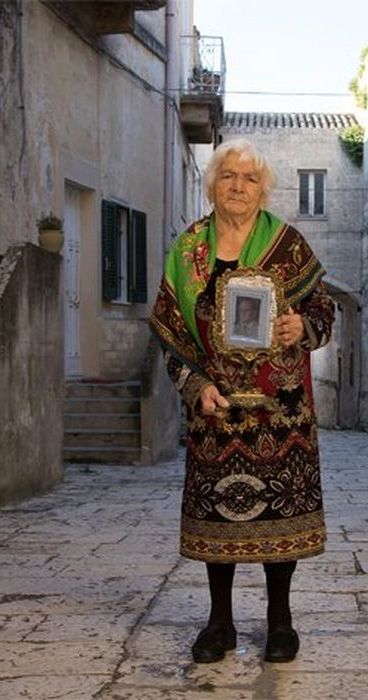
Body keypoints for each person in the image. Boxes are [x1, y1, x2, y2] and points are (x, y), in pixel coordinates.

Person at [149, 139, 334, 664]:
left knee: (280, 513)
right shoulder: (189, 250)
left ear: (263, 189)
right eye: (228, 175)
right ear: (213, 184)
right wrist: (194, 385)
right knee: (219, 519)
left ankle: (281, 623)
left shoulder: (288, 245)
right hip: (216, 410)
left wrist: (304, 325)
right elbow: (169, 328)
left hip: (282, 412)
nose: (238, 186)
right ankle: (220, 623)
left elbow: (323, 306)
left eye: (250, 179)